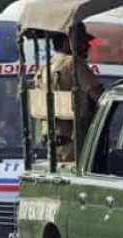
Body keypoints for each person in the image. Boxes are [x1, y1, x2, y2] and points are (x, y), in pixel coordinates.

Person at [36, 24, 102, 161]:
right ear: (67, 42)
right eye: (83, 41)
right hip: (75, 145)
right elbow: (99, 96)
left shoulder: (44, 69)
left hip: (53, 146)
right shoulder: (73, 63)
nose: (88, 46)